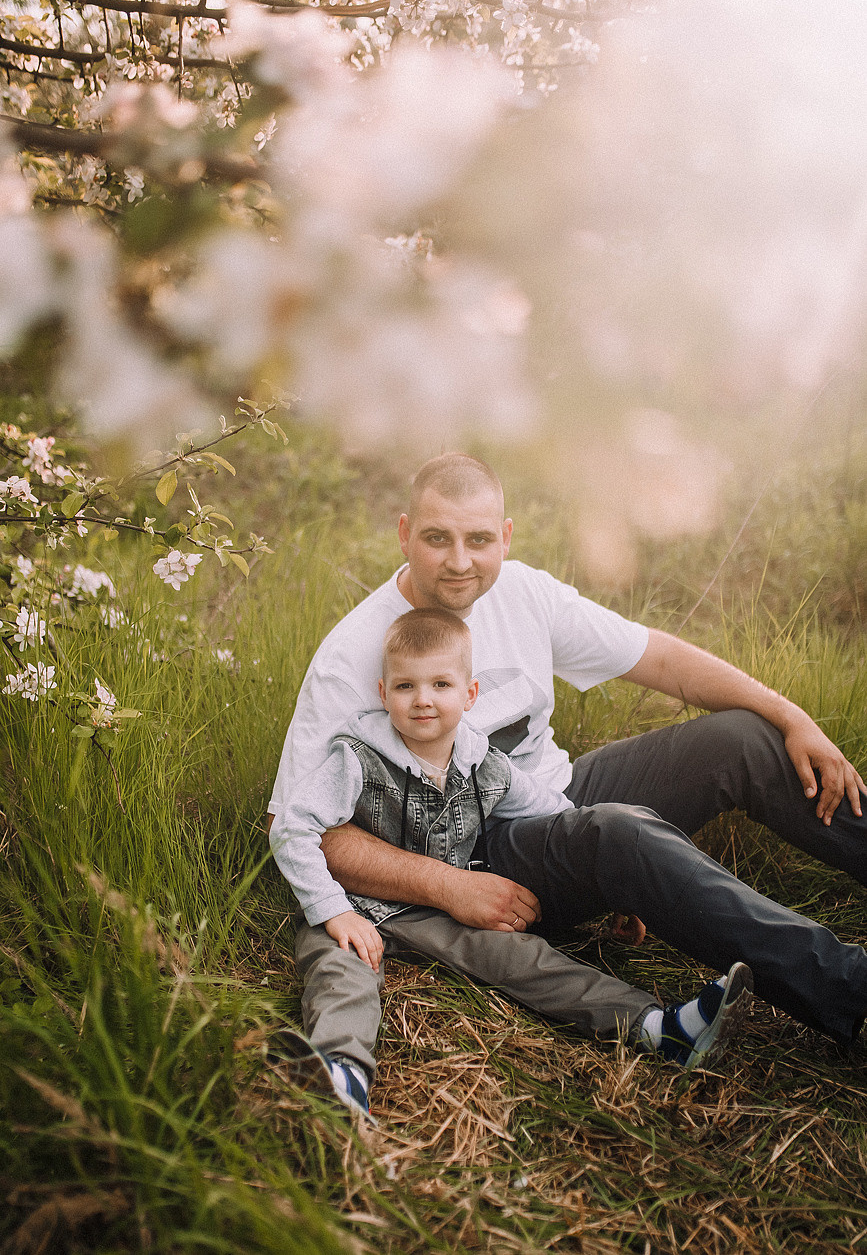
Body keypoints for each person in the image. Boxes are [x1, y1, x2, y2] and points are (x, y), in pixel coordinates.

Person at [268, 453, 867, 1049]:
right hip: (472, 853)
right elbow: (297, 823)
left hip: (552, 798)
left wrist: (793, 717)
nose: (459, 561)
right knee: (621, 836)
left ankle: (638, 858)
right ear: (403, 534)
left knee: (744, 737)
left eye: (478, 539)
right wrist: (447, 886)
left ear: (504, 537)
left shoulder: (524, 593)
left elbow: (658, 657)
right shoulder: (352, 655)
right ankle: (849, 989)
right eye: (435, 538)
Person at [268, 608, 754, 1116]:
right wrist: (330, 909)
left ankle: (659, 1029)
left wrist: (615, 886)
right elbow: (292, 826)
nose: (423, 699)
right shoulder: (356, 759)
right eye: (406, 686)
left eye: (440, 683)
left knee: (524, 959)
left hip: (440, 910)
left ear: (470, 694)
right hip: (351, 907)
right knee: (339, 970)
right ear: (383, 693)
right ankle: (341, 1077)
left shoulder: (481, 762)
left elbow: (555, 810)